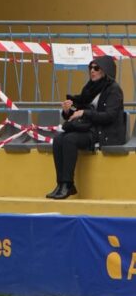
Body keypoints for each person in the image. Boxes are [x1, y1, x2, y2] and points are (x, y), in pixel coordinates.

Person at [47, 55, 127, 200]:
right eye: (90, 68)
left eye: (96, 68)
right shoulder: (90, 88)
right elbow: (79, 109)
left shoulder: (114, 90)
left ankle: (67, 183)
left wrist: (85, 113)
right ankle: (62, 184)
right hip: (89, 128)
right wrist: (67, 110)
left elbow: (109, 116)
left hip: (104, 132)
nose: (92, 71)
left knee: (70, 139)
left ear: (106, 70)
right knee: (58, 139)